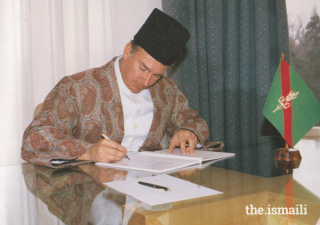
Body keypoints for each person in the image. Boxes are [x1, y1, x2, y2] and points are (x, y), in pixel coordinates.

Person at [21, 8, 209, 168]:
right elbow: (35, 137)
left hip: (152, 188)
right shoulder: (76, 87)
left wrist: (189, 131)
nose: (146, 81)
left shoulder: (166, 91)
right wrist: (88, 152)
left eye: (156, 75)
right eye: (142, 68)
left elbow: (192, 120)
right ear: (127, 51)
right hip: (91, 192)